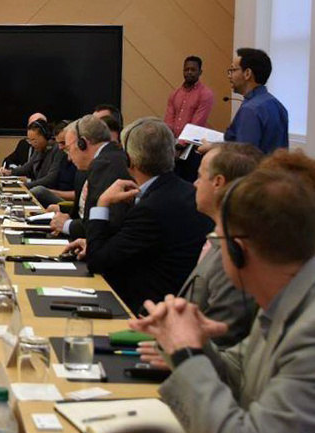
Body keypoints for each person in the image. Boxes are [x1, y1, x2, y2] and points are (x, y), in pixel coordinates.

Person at [129, 162, 315, 433]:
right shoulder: (282, 300)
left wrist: (187, 353)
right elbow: (240, 374)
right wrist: (197, 343)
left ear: (237, 251)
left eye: (217, 239)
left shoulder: (308, 334)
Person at [66, 118, 212, 313]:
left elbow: (97, 261)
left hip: (141, 311)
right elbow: (139, 244)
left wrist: (102, 203)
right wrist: (96, 242)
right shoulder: (187, 192)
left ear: (129, 160)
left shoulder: (151, 208)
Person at [177, 142, 262, 348]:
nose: (195, 184)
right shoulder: (218, 238)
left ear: (218, 182)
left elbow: (222, 337)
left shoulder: (236, 252)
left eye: (199, 176)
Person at [50, 115, 132, 239]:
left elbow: (108, 223)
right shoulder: (96, 164)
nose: (69, 158)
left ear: (82, 143)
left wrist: (67, 225)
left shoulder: (106, 164)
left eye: (68, 149)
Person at [223, 48, 289, 153]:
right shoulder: (278, 105)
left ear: (247, 73)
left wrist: (213, 150)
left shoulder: (250, 110)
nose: (229, 75)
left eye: (233, 70)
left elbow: (243, 157)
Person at [0, 119, 63, 188]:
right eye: (30, 140)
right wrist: (9, 172)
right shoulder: (38, 149)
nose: (32, 144)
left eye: (34, 140)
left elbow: (50, 179)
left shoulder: (58, 150)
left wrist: (24, 185)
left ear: (46, 136)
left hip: (48, 190)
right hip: (37, 187)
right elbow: (27, 167)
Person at [28, 120, 77, 207]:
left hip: (70, 203)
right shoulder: (62, 155)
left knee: (38, 191)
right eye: (58, 143)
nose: (60, 148)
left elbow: (81, 195)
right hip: (58, 195)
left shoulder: (83, 161)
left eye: (64, 143)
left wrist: (53, 192)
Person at [164, 56, 214, 138]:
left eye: (193, 70)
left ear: (200, 72)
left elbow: (197, 123)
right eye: (186, 70)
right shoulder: (175, 94)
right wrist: (169, 139)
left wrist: (182, 142)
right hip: (173, 142)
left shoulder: (206, 94)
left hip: (193, 143)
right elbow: (169, 120)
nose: (189, 72)